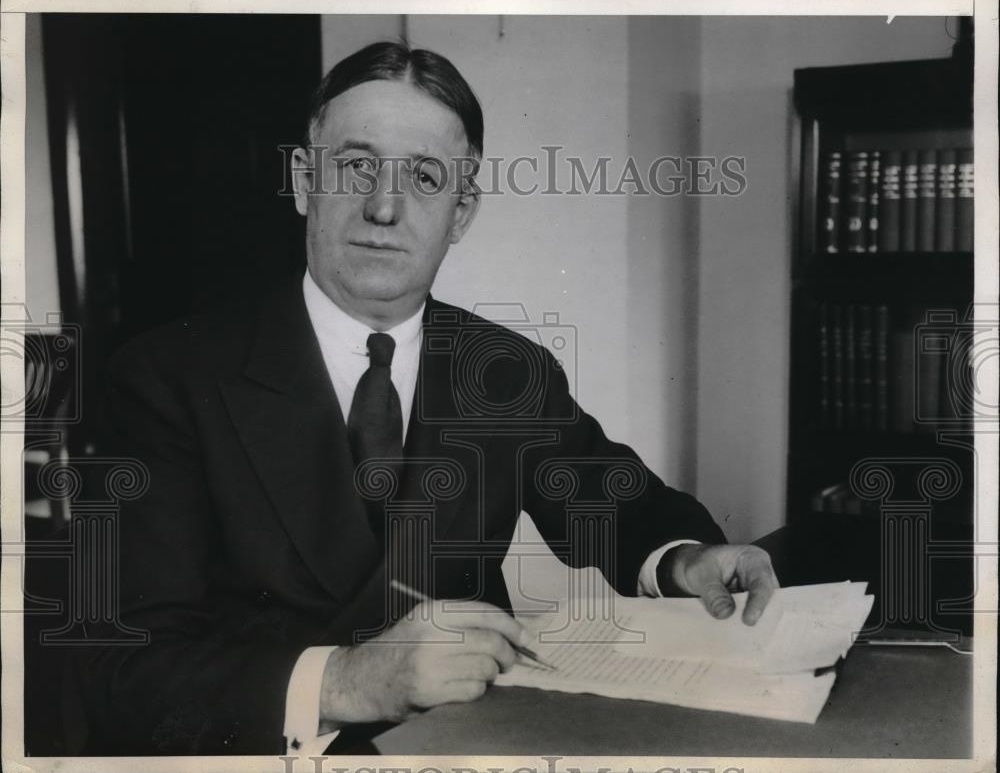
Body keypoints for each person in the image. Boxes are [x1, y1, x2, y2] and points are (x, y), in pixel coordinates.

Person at [79, 41, 778, 755]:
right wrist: (346, 681)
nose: (385, 206)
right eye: (356, 166)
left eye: (423, 175)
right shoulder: (166, 377)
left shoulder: (505, 372)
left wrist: (682, 557)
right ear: (302, 180)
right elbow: (118, 667)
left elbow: (621, 507)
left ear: (462, 211)